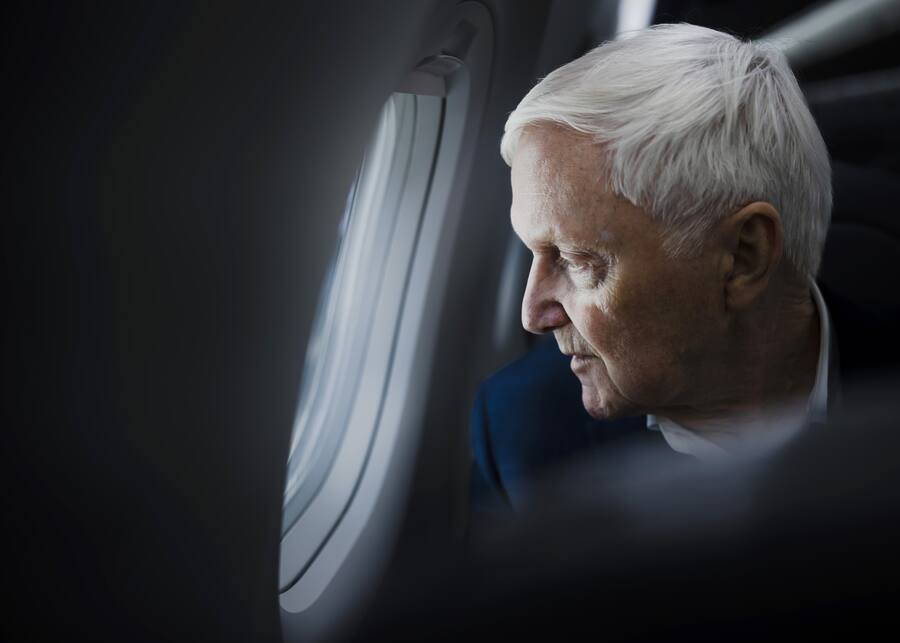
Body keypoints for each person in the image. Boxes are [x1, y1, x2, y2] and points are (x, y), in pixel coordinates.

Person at [470, 23, 897, 512]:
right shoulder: (518, 434)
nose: (533, 315)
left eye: (576, 260)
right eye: (534, 253)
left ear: (743, 257)